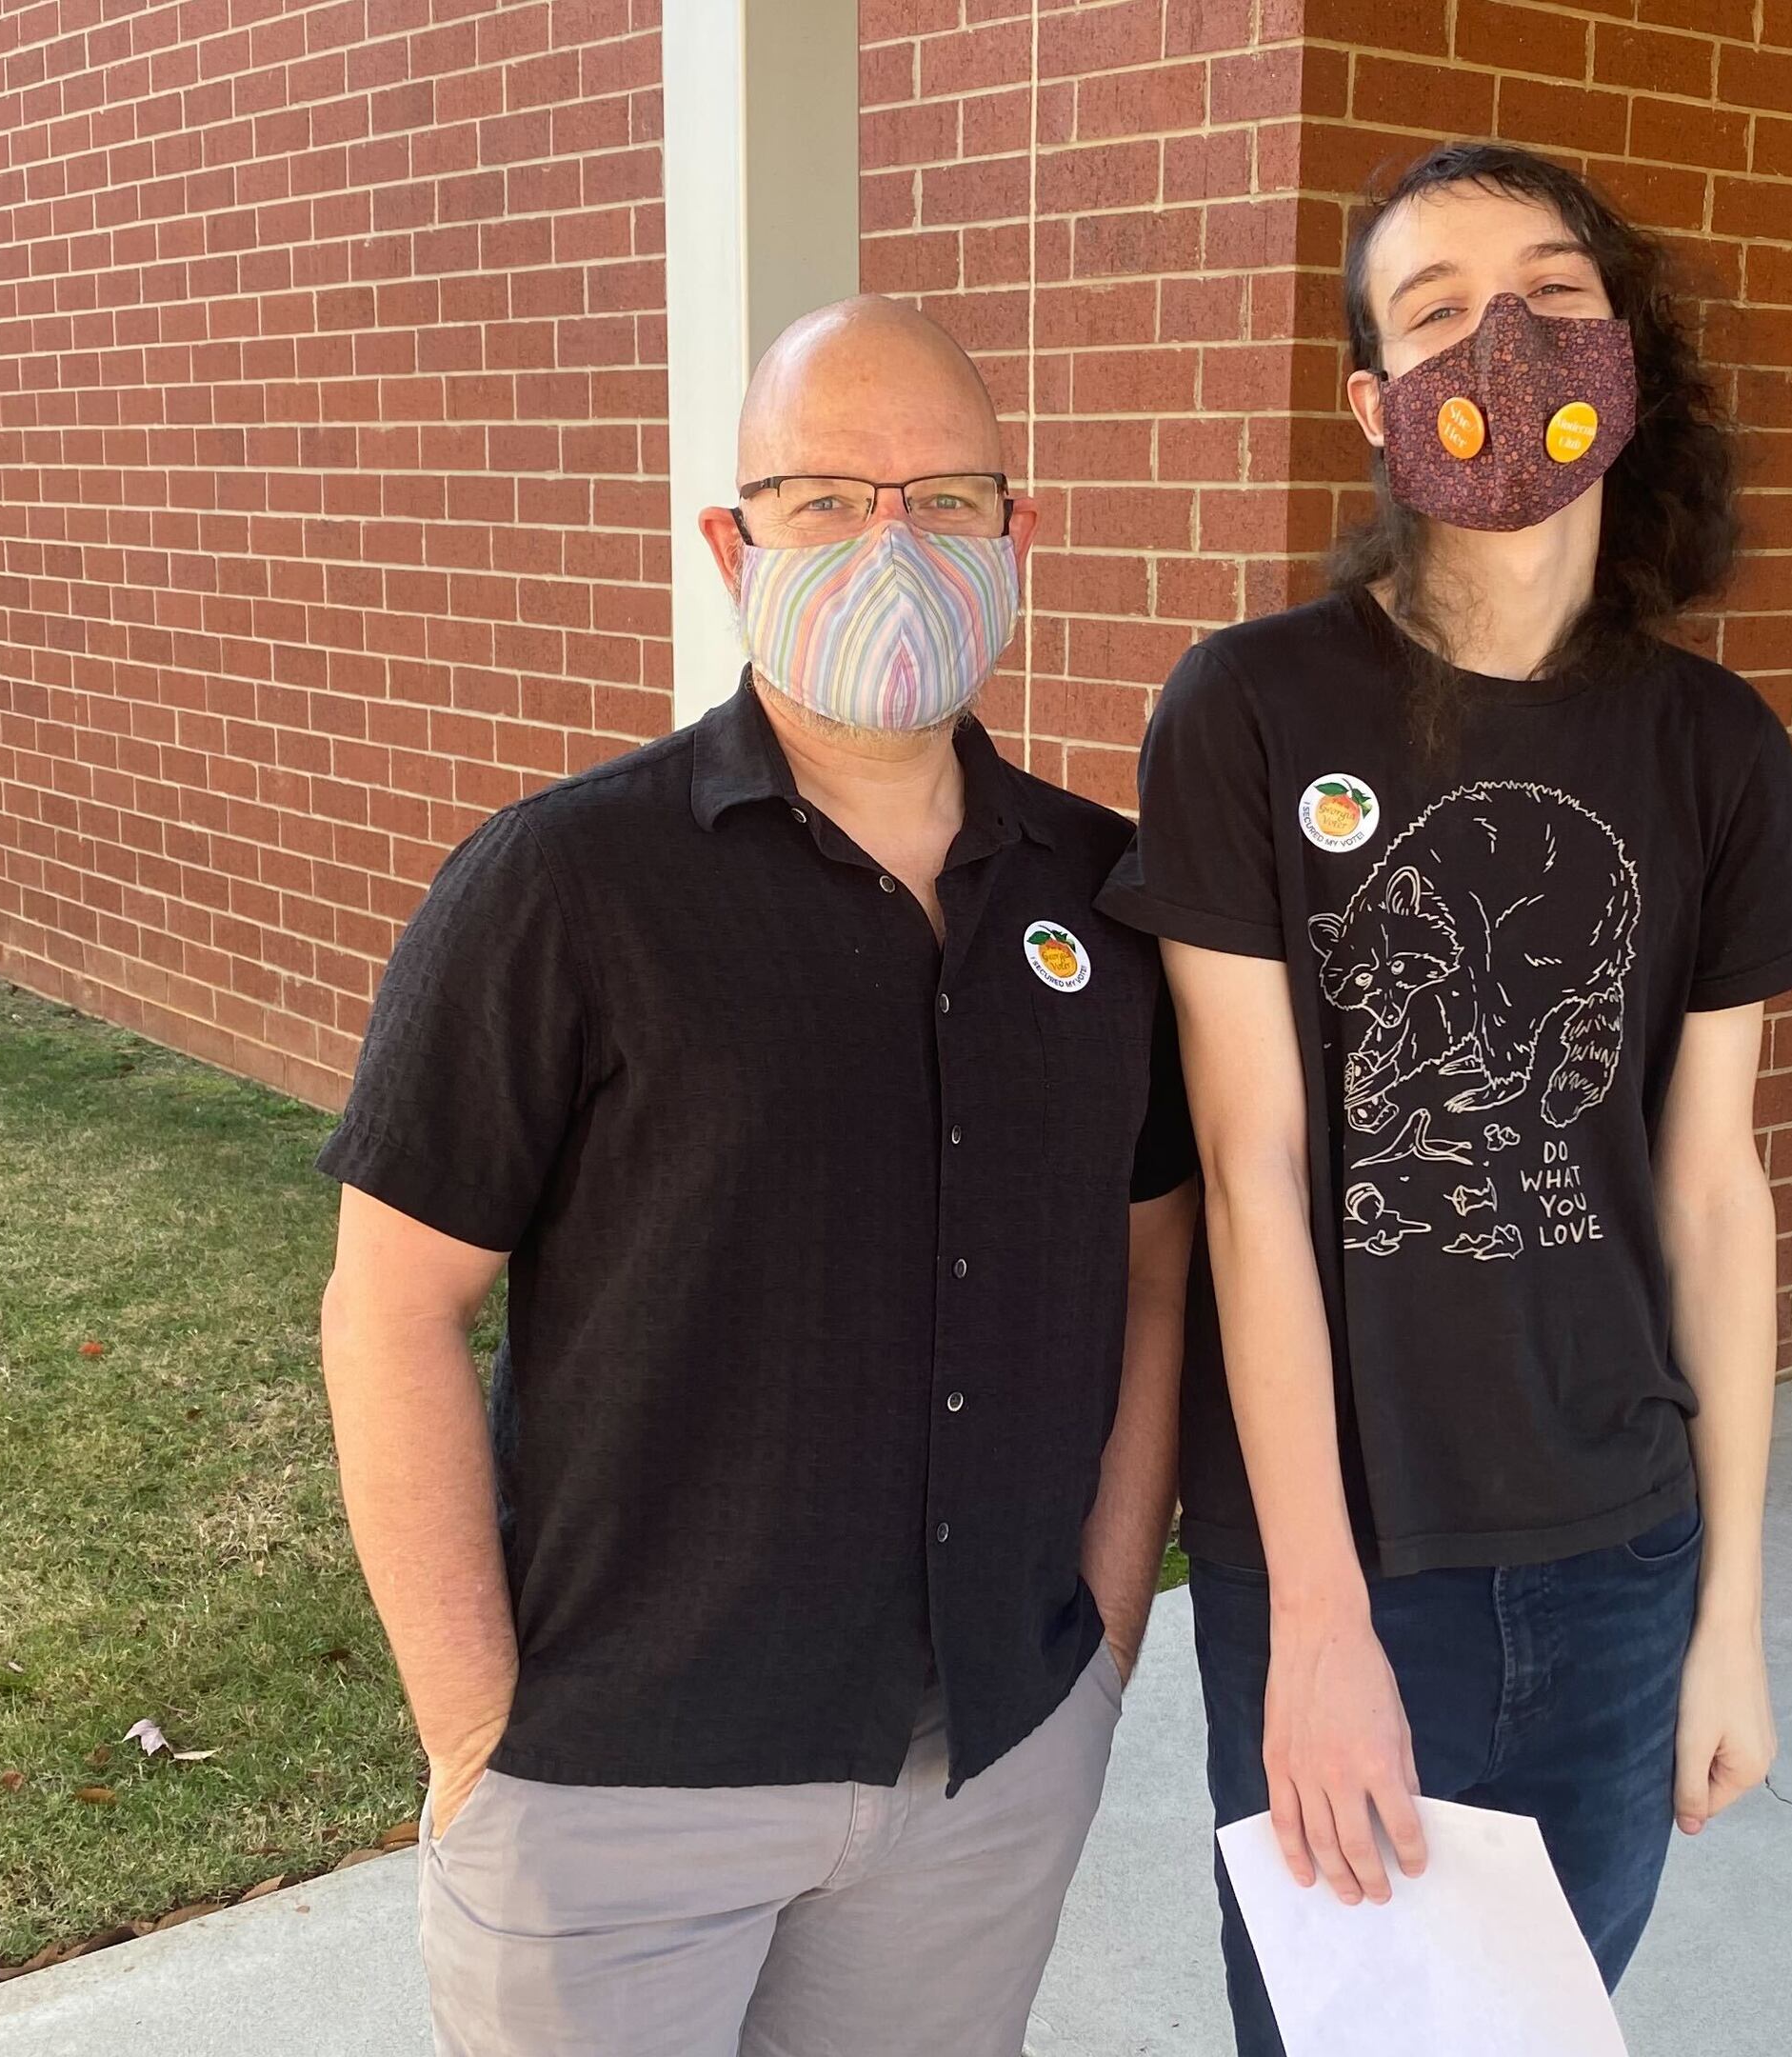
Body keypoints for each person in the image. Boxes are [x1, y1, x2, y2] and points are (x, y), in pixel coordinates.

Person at [317, 294, 1200, 2057]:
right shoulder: (564, 889)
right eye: (824, 499)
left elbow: (1157, 1277)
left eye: (948, 500)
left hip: (987, 1773)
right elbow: (392, 1309)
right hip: (613, 1785)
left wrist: (1095, 1646)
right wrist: (476, 1735)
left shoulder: (1110, 901)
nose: (894, 542)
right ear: (735, 542)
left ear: (1018, 537)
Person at [1098, 141, 1792, 2047]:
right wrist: (1319, 1626)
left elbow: (1711, 1198)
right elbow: (1252, 1178)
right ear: (1372, 402)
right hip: (1351, 1558)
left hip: (1621, 1553)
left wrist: (1735, 1621)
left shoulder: (1715, 750)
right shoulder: (1249, 712)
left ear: (1629, 357)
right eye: (1436, 312)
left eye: (1552, 294)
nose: (1501, 341)